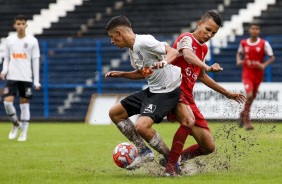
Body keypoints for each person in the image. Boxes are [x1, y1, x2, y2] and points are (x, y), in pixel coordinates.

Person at [160, 10, 246, 176]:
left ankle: (173, 159)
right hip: (174, 92)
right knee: (187, 121)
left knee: (208, 146)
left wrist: (227, 93)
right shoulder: (186, 38)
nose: (209, 34)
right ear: (199, 23)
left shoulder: (204, 49)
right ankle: (170, 169)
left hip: (188, 97)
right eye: (207, 29)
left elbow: (201, 76)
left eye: (214, 33)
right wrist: (206, 66)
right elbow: (186, 54)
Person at [104, 15, 183, 170]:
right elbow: (143, 73)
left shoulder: (144, 41)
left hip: (167, 90)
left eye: (112, 37)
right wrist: (122, 74)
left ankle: (172, 160)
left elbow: (173, 52)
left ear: (119, 33)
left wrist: (165, 61)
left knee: (142, 126)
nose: (112, 41)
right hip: (153, 90)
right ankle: (143, 151)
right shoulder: (132, 51)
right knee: (115, 113)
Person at [1, 15, 41, 141]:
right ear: (14, 25)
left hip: (26, 78)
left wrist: (36, 80)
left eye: (23, 24)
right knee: (7, 103)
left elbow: (35, 60)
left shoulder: (32, 41)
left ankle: (24, 132)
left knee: (24, 105)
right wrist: (4, 70)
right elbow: (6, 58)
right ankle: (15, 124)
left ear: (26, 25)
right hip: (12, 76)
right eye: (18, 24)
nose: (21, 26)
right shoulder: (9, 40)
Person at [236, 22, 275, 130]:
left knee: (252, 97)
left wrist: (263, 65)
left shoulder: (264, 43)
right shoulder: (244, 43)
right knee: (249, 95)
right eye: (252, 28)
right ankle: (247, 122)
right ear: (249, 30)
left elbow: (272, 57)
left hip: (258, 74)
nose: (254, 30)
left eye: (256, 29)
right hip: (247, 73)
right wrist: (239, 60)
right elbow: (239, 53)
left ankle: (243, 113)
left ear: (259, 31)